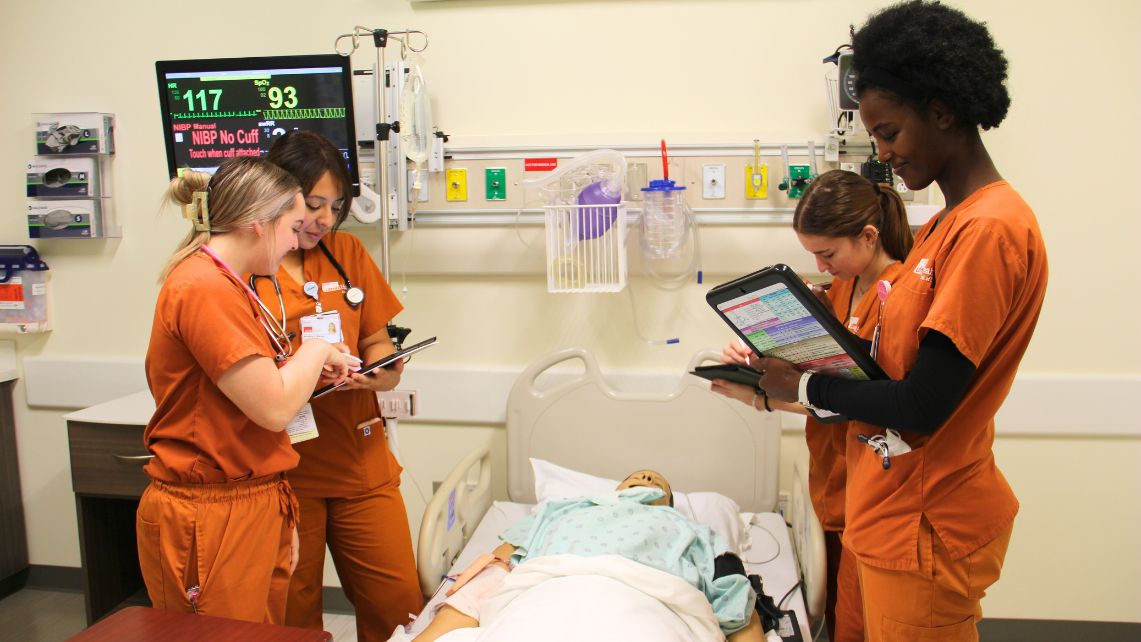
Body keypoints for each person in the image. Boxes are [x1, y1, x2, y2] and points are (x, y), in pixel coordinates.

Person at [753, 2, 1049, 640]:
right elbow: (889, 366)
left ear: (941, 112)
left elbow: (921, 403)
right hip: (893, 511)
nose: (882, 153)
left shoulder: (991, 229)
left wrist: (804, 388)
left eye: (889, 132)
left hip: (928, 522)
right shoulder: (945, 226)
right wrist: (784, 368)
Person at [138, 157, 354, 623]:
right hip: (212, 509)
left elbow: (251, 390)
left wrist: (273, 513)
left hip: (252, 495)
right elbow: (274, 408)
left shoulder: (233, 287)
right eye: (294, 227)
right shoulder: (203, 288)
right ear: (259, 223)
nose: (298, 241)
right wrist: (316, 349)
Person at [712, 169, 911, 642]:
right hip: (839, 481)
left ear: (867, 236)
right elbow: (819, 384)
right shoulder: (840, 290)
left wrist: (767, 398)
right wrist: (759, 365)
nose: (821, 267)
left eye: (827, 253)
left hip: (875, 490)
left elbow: (870, 402)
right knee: (848, 625)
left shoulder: (898, 298)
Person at [253, 130, 422, 639]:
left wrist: (382, 369)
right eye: (313, 203)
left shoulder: (345, 252)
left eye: (335, 205)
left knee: (399, 605)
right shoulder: (248, 267)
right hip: (286, 471)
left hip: (359, 463)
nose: (324, 219)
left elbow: (375, 338)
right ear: (279, 196)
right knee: (292, 614)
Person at [411, 470, 767, 642]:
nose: (644, 477)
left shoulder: (693, 528)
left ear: (668, 502)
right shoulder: (566, 509)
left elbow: (734, 597)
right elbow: (501, 560)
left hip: (649, 601)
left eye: (656, 483)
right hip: (551, 590)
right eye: (634, 479)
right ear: (614, 491)